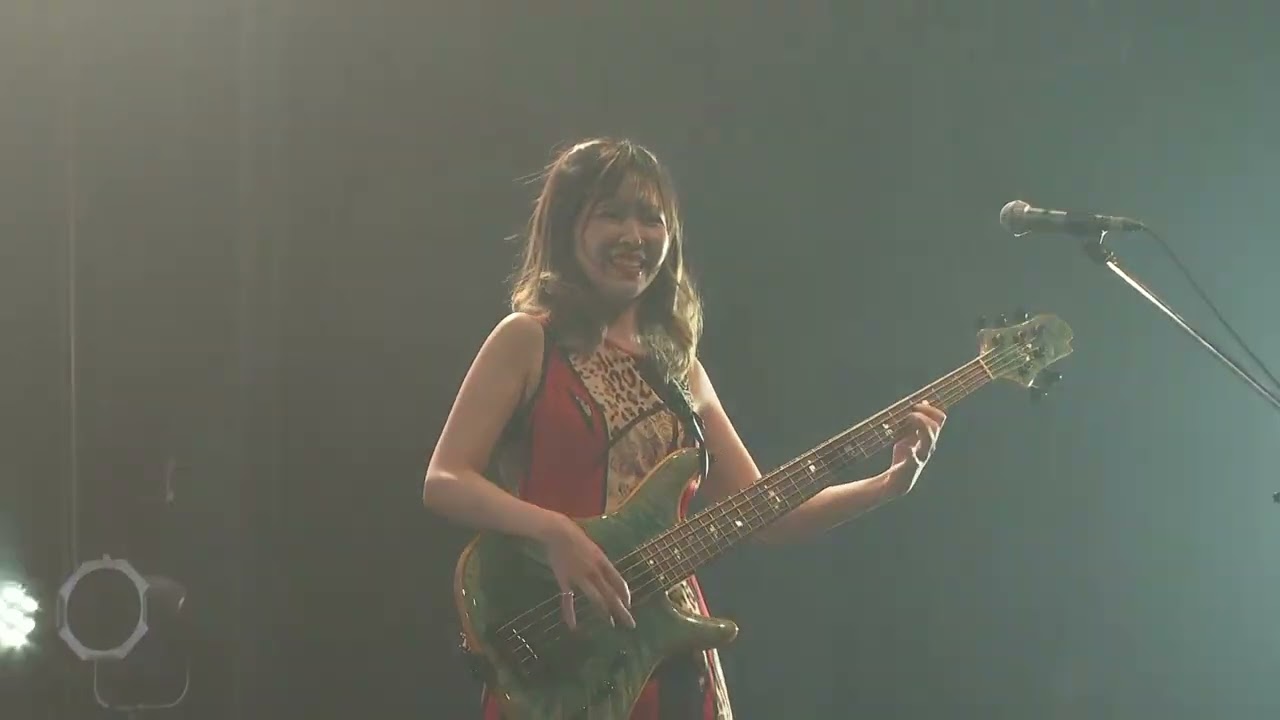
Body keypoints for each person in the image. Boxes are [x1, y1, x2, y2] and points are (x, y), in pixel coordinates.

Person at [422, 137, 947, 719]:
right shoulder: (528, 338)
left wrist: (887, 485)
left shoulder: (680, 370)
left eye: (652, 218)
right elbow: (445, 479)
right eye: (611, 214)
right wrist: (554, 532)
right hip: (563, 652)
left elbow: (768, 516)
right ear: (568, 227)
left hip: (670, 661)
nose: (634, 235)